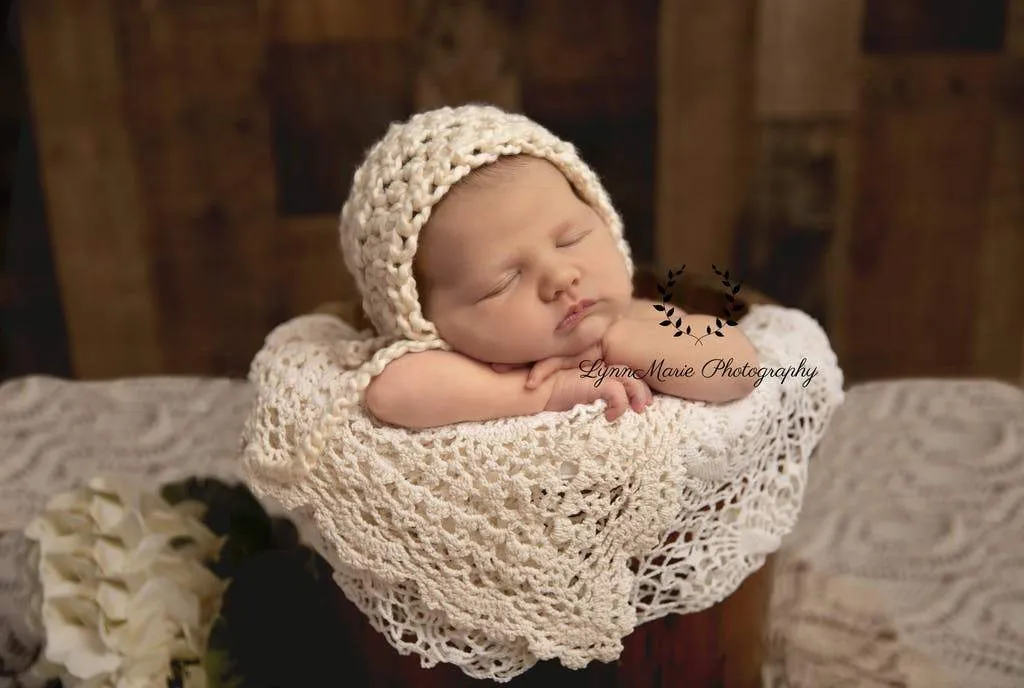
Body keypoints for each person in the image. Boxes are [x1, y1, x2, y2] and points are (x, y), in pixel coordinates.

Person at [341, 105, 760, 430]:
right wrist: (546, 392)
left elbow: (739, 369)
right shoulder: (461, 363)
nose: (561, 277)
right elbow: (391, 393)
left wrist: (615, 344)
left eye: (570, 240)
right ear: (423, 320)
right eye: (503, 281)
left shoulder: (637, 317)